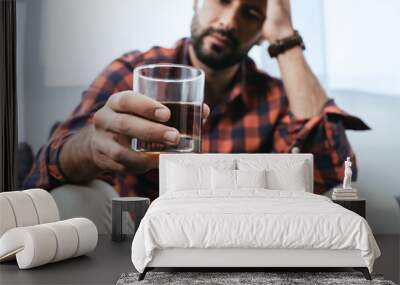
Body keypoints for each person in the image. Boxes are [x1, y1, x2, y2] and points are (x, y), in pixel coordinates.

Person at [24, 0, 369, 201]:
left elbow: (334, 179)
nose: (228, 20)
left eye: (251, 12)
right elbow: (41, 173)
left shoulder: (278, 99)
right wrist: (91, 148)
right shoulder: (133, 73)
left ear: (264, 31)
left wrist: (285, 39)